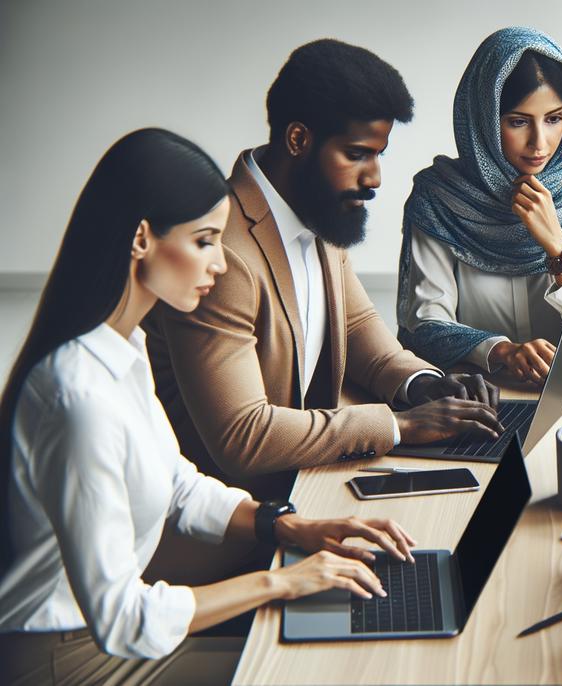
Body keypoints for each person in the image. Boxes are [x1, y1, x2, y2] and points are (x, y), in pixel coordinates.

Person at [0, 129, 413, 685]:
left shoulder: (123, 346)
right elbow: (123, 619)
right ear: (141, 239)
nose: (221, 263)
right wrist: (283, 581)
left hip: (108, 638)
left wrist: (290, 527)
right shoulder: (78, 397)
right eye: (204, 241)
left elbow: (178, 486)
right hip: (67, 660)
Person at [145, 39, 504, 509]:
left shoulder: (317, 212)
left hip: (308, 485)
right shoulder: (223, 251)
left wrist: (425, 385)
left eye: (379, 154)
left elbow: (358, 333)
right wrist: (401, 426)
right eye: (357, 154)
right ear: (299, 140)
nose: (374, 176)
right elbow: (242, 435)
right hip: (233, 523)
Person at [398, 27, 562, 385]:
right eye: (518, 122)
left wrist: (558, 246)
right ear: (484, 120)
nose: (540, 142)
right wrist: (501, 351)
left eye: (554, 118)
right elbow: (425, 325)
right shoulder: (440, 198)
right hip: (474, 400)